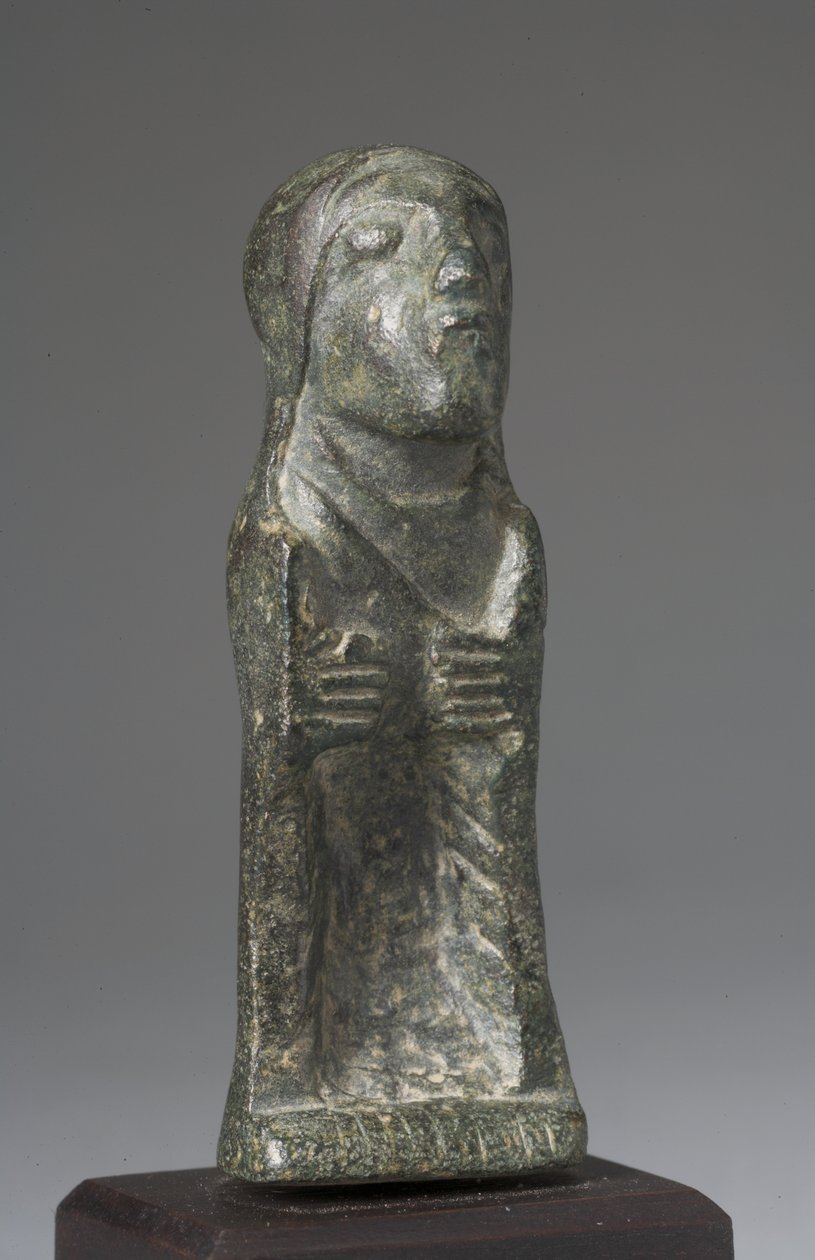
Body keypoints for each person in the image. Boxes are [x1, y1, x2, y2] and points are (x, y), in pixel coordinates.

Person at [219, 146, 585, 1182]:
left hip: (464, 947)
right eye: (382, 245)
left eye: (483, 252)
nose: (461, 270)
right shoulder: (287, 544)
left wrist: (487, 725)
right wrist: (303, 732)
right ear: (296, 326)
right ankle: (292, 1099)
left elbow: (497, 803)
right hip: (327, 977)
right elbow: (282, 801)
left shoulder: (505, 543)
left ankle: (511, 1084)